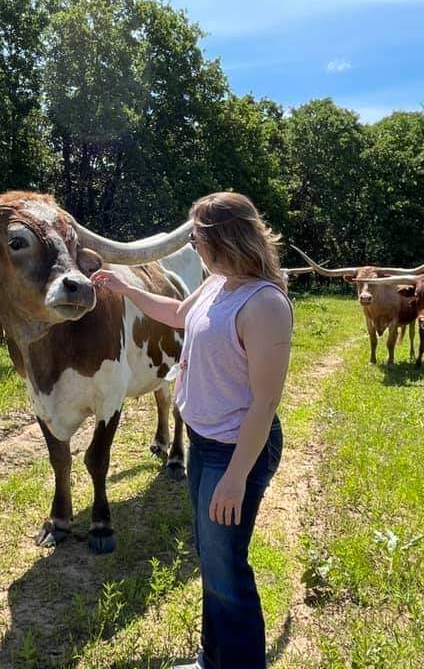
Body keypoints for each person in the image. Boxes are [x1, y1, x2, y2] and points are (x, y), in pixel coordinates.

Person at [91, 192, 293, 669]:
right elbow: (178, 315)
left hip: (236, 451)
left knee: (227, 571)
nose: (194, 246)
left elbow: (265, 403)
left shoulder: (263, 302)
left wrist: (236, 477)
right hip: (205, 444)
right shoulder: (218, 283)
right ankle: (212, 658)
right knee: (211, 558)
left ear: (224, 237)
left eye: (197, 237)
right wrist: (128, 288)